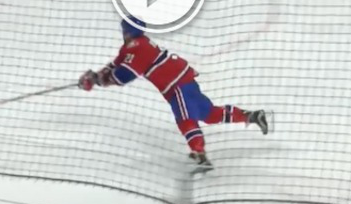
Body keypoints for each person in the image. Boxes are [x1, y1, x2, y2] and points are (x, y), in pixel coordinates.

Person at [78, 16, 270, 172]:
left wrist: (98, 81)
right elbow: (115, 65)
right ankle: (251, 116)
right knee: (209, 114)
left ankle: (200, 154)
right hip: (183, 80)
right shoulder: (135, 45)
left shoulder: (138, 48)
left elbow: (122, 77)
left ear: (127, 31)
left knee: (185, 119)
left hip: (176, 85)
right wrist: (96, 76)